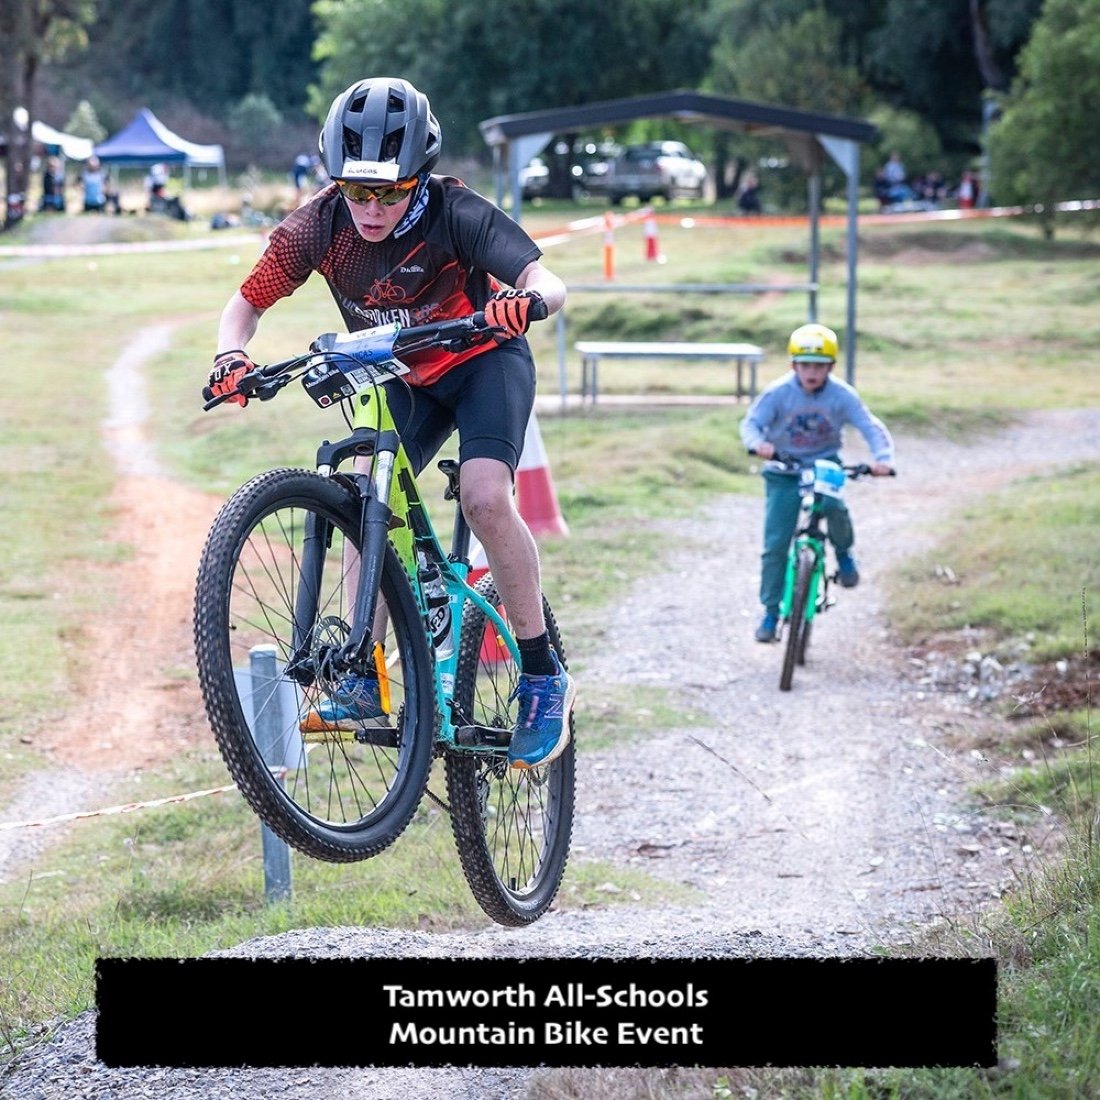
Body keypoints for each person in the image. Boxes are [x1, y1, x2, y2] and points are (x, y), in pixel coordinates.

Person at [206, 76, 574, 770]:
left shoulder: (457, 212)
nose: (371, 209)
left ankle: (541, 673)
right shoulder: (318, 225)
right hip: (404, 375)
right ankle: (364, 670)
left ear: (419, 179)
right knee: (364, 500)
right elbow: (244, 305)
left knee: (486, 495)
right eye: (357, 191)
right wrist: (231, 354)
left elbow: (548, 280)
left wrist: (524, 304)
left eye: (389, 192)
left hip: (483, 362)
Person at [739, 323, 895, 643]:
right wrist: (758, 445)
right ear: (793, 365)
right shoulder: (778, 393)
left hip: (824, 466)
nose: (812, 372)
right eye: (806, 365)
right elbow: (752, 424)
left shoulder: (842, 395)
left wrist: (883, 459)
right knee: (775, 544)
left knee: (836, 508)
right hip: (784, 468)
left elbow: (869, 426)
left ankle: (845, 553)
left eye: (820, 366)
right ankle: (770, 612)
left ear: (831, 367)